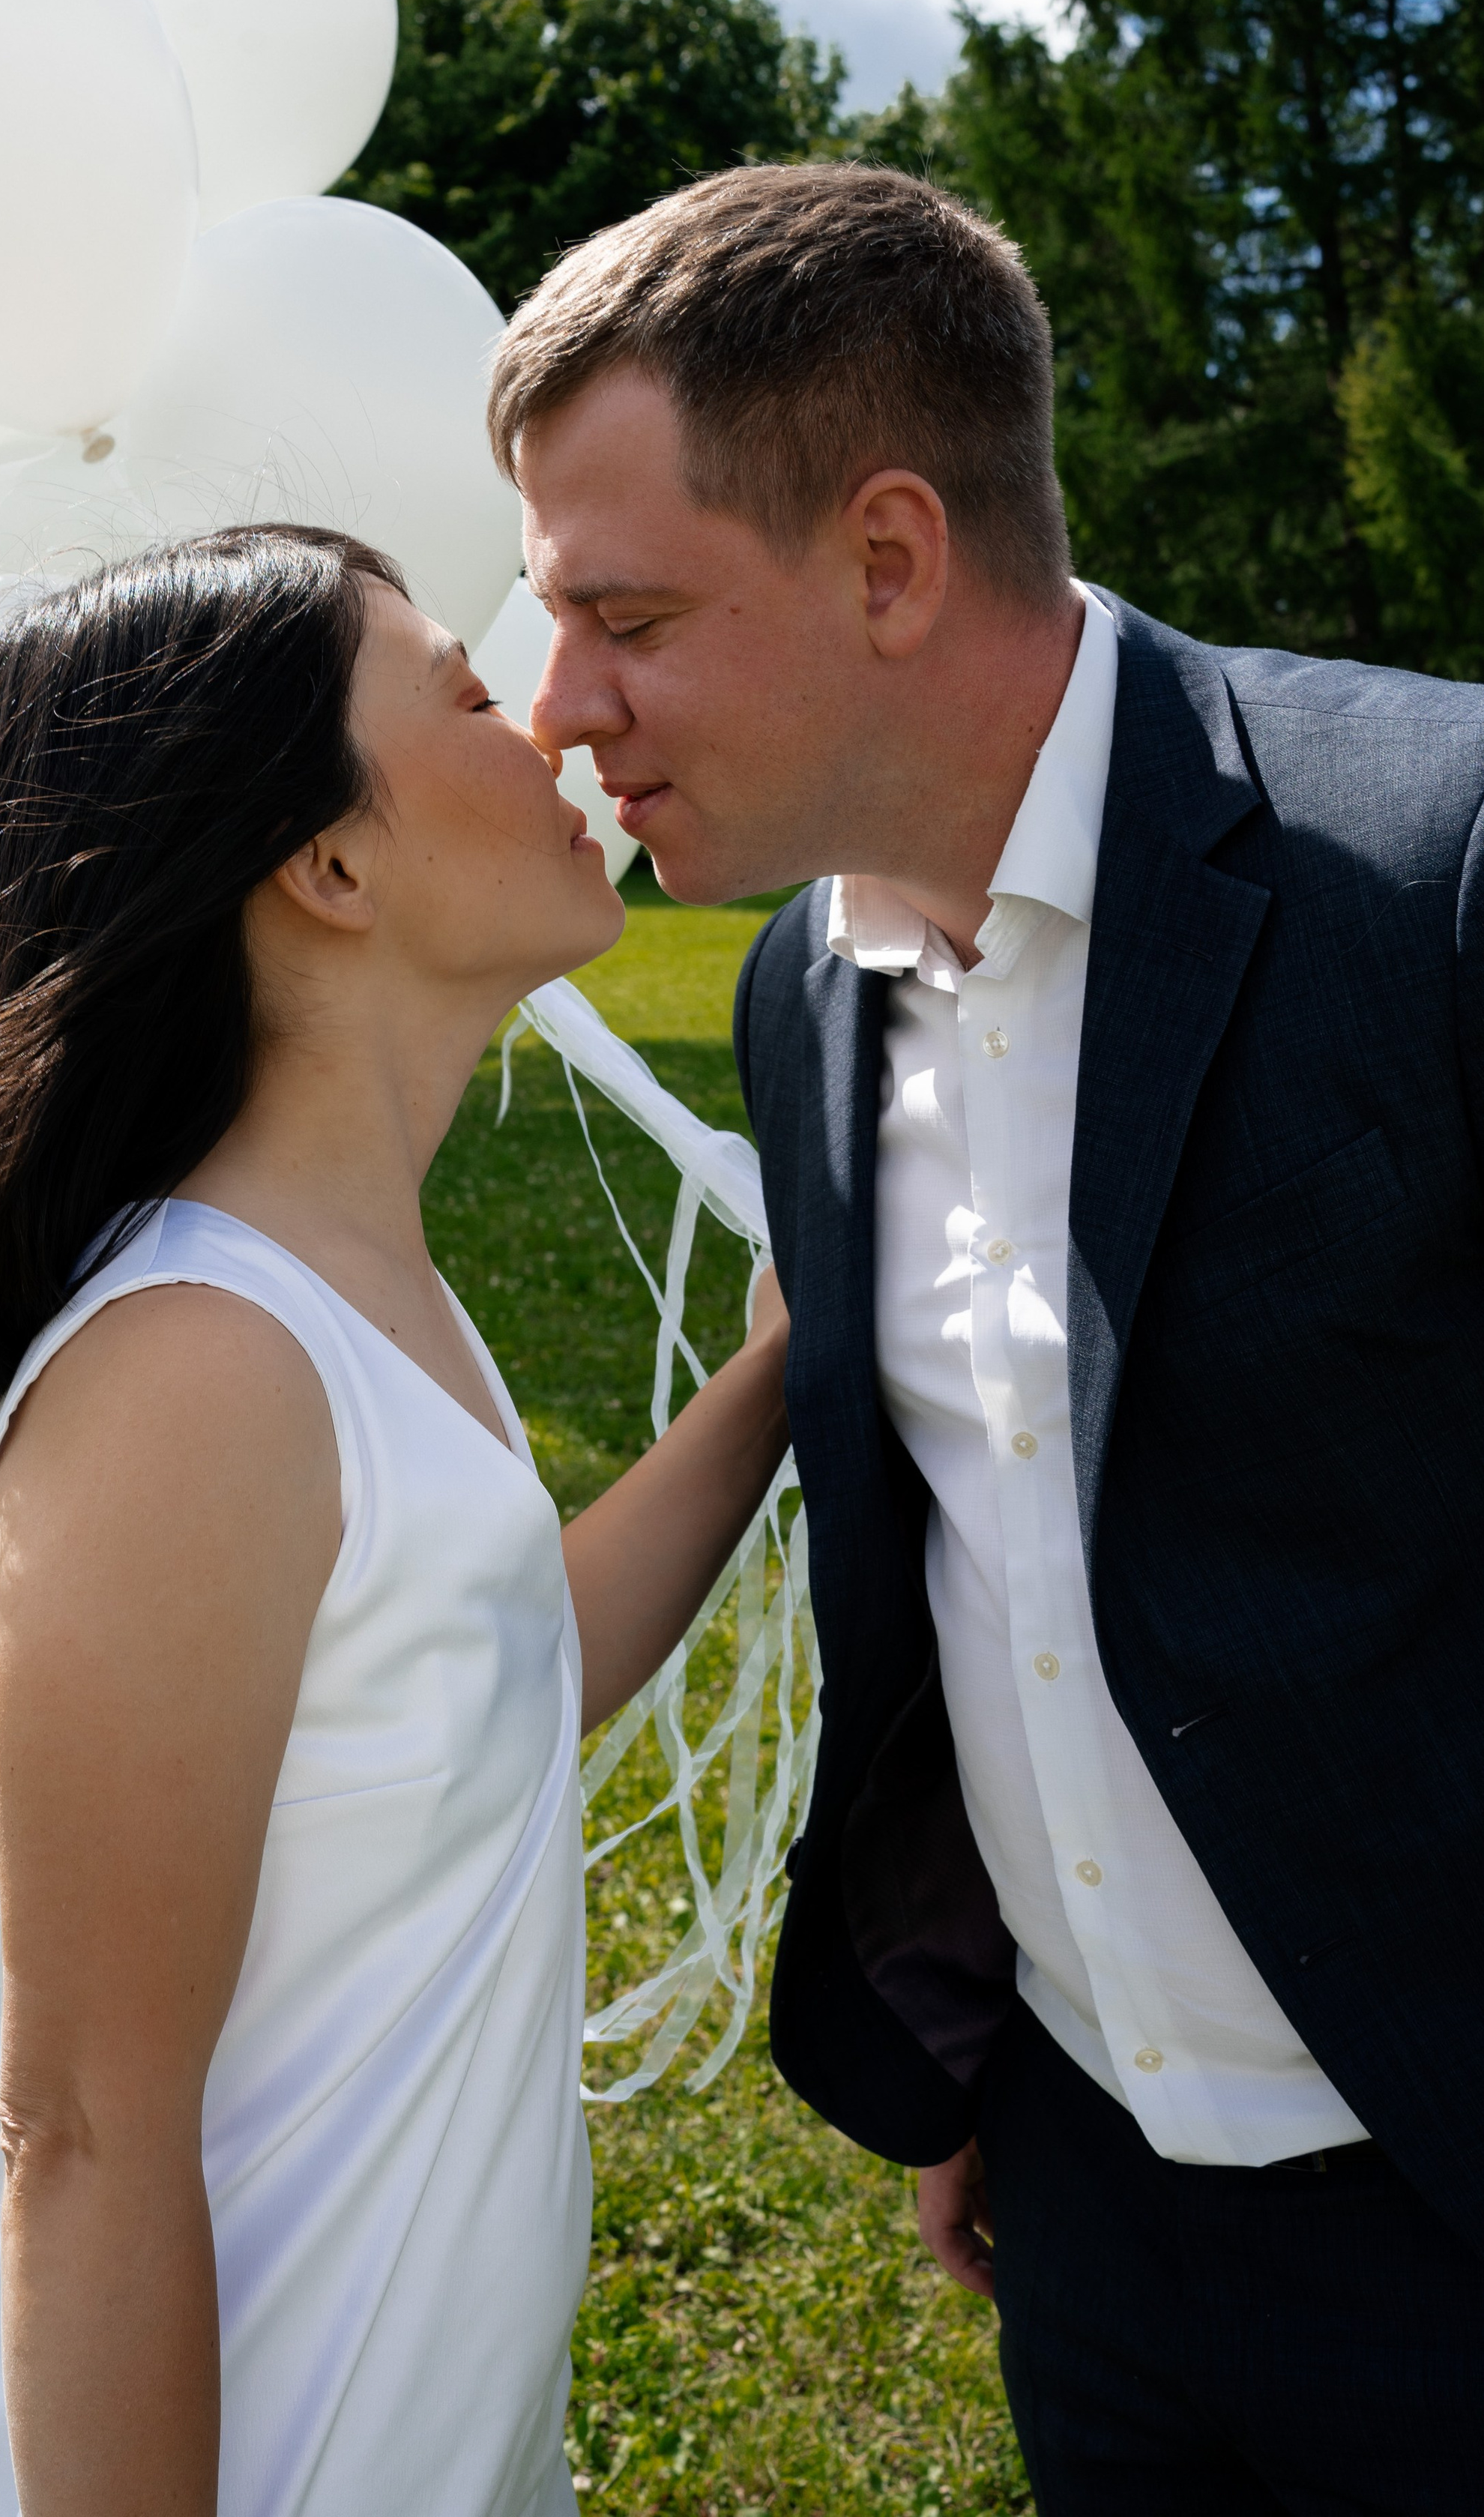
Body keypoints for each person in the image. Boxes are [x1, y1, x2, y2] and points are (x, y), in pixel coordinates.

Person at [492, 163, 1484, 2515]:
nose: (556, 708)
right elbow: (966, 1550)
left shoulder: (1436, 859)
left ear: (892, 560)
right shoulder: (792, 986)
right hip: (1086, 2206)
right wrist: (1026, 2058)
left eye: (623, 615)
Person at [0, 526, 791, 2517]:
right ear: (328, 866)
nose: (540, 716)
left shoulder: (351, 1299)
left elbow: (477, 1669)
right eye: (461, 690)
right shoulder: (199, 1365)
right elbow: (86, 2133)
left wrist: (779, 1377)